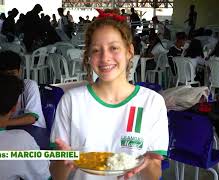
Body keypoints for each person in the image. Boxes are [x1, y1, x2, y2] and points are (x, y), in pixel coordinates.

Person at [49, 9, 168, 180]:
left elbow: (154, 175)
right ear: (88, 56)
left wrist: (150, 164)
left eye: (114, 48)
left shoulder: (152, 102)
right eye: (96, 50)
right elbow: (56, 175)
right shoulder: (72, 101)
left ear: (129, 51)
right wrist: (63, 161)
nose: (105, 57)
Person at [0, 51, 46, 128]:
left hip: (33, 130)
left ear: (20, 71)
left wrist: (1, 123)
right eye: (5, 75)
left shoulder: (29, 86)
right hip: (10, 131)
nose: (9, 78)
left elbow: (32, 118)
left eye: (12, 74)